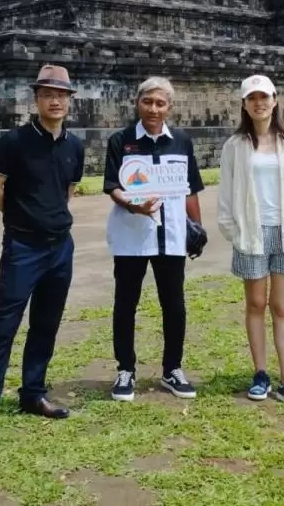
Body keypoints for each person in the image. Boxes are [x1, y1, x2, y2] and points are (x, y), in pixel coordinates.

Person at [0, 64, 86, 450]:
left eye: (62, 95)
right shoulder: (14, 142)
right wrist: (20, 219)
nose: (55, 100)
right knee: (5, 325)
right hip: (23, 247)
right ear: (36, 98)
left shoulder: (74, 145)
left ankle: (33, 392)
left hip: (60, 246)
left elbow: (66, 192)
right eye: (48, 93)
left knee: (46, 323)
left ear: (69, 100)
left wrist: (50, 221)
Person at [102, 76, 205, 402]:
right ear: (138, 103)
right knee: (126, 303)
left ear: (169, 107)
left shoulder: (181, 142)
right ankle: (125, 370)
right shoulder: (121, 141)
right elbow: (112, 186)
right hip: (132, 236)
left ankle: (172, 369)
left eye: (160, 103)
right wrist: (134, 205)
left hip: (171, 236)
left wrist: (197, 228)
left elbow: (191, 189)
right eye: (148, 102)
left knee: (174, 305)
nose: (154, 109)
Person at [217, 74, 284, 409]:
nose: (259, 103)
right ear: (244, 104)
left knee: (282, 307)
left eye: (265, 97)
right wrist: (233, 231)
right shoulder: (235, 146)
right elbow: (226, 194)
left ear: (275, 100)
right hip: (252, 231)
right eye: (252, 98)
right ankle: (260, 372)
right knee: (256, 304)